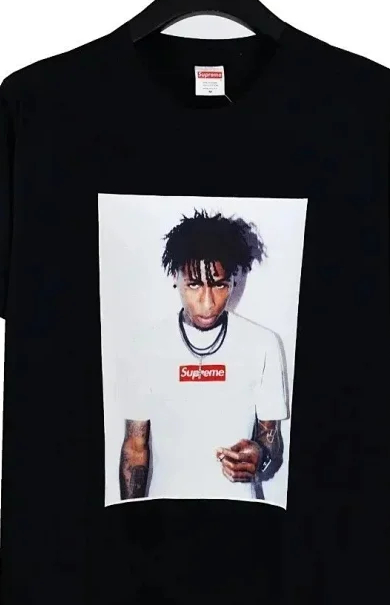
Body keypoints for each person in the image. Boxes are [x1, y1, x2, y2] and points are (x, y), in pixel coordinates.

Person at [117, 209, 290, 502]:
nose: (208, 302)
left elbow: (271, 442)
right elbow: (135, 449)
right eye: (194, 284)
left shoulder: (263, 344)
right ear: (176, 277)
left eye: (219, 284)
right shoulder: (145, 346)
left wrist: (260, 454)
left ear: (233, 281)